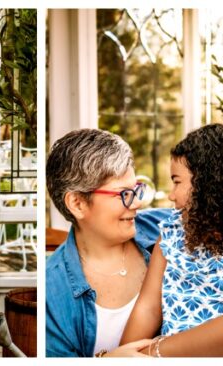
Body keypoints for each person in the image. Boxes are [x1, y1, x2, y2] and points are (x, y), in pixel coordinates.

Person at [121, 124, 223, 357]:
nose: (172, 195)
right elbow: (149, 307)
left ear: (211, 182)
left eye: (177, 181)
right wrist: (123, 355)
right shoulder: (173, 229)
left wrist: (153, 352)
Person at [44, 128, 171, 357]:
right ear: (77, 203)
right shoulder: (51, 290)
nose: (136, 203)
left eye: (136, 189)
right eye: (123, 194)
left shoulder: (168, 228)